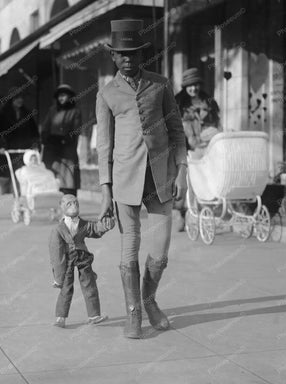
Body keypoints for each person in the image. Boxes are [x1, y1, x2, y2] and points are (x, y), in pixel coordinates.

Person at [96, 19, 187, 339]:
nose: (128, 59)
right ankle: (134, 312)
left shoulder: (161, 84)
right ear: (113, 56)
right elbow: (104, 146)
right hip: (125, 180)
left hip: (161, 177)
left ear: (142, 53)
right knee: (128, 249)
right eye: (122, 54)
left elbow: (177, 130)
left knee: (160, 252)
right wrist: (106, 192)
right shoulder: (107, 93)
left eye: (134, 52)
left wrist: (182, 171)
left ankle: (149, 300)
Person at [49, 194, 114, 328]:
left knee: (89, 284)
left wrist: (105, 225)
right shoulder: (58, 229)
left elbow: (95, 229)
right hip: (67, 260)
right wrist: (58, 276)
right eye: (69, 204)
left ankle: (94, 315)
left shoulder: (84, 224)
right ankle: (60, 317)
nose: (74, 206)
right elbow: (56, 252)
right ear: (61, 206)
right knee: (66, 287)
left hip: (83, 258)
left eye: (76, 203)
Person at [172, 68, 222, 231]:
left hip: (207, 147)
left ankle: (206, 213)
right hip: (186, 148)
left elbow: (216, 123)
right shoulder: (179, 104)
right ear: (185, 87)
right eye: (189, 86)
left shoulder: (208, 101)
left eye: (195, 85)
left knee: (207, 179)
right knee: (187, 180)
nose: (193, 89)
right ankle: (183, 214)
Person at [0, 88, 40, 194]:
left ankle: (18, 200)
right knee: (5, 177)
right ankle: (6, 198)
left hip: (21, 150)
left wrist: (35, 145)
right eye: (16, 98)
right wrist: (0, 146)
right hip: (6, 150)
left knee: (20, 176)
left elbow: (34, 132)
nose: (19, 100)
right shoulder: (3, 113)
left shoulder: (27, 113)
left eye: (21, 98)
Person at [41, 84, 81, 196]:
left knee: (69, 181)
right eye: (59, 96)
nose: (61, 98)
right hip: (53, 151)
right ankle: (58, 207)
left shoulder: (75, 111)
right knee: (55, 180)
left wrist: (65, 139)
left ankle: (70, 208)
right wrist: (47, 138)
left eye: (64, 95)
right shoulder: (52, 110)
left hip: (67, 150)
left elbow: (76, 130)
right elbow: (45, 128)